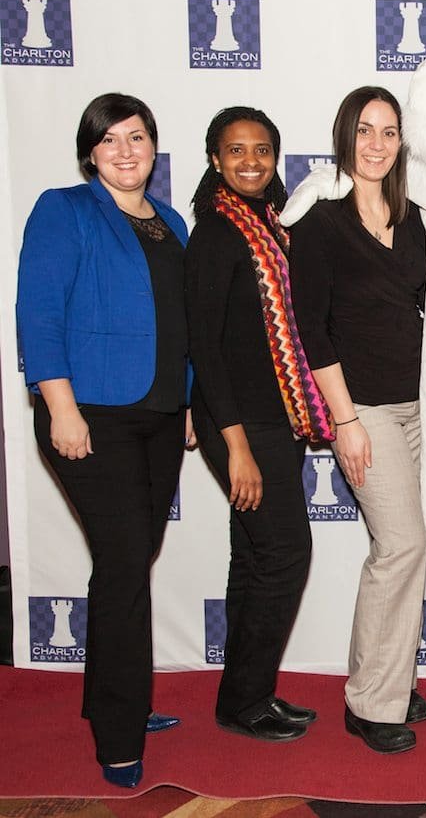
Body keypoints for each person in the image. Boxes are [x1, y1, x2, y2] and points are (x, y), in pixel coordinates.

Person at [16, 93, 190, 788]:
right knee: (122, 565)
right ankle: (119, 735)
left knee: (130, 560)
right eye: (109, 139)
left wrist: (186, 401)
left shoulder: (171, 222)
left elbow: (178, 320)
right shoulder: (64, 210)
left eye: (136, 137)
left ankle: (115, 696)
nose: (125, 150)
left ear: (154, 146)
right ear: (90, 152)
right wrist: (59, 405)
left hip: (159, 414)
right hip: (89, 414)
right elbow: (39, 311)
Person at [286, 86, 426, 755]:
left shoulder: (415, 217)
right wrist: (344, 421)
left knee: (413, 546)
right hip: (363, 407)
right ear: (345, 137)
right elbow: (311, 329)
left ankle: (391, 681)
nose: (377, 143)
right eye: (365, 130)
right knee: (399, 546)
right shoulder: (321, 221)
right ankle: (370, 701)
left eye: (389, 131)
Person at [185, 107, 332, 744]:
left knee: (252, 557)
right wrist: (236, 445)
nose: (251, 161)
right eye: (236, 150)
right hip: (240, 425)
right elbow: (205, 347)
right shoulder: (217, 234)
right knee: (284, 554)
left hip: (277, 419)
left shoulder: (272, 225)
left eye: (262, 149)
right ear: (215, 159)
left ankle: (245, 696)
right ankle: (247, 697)